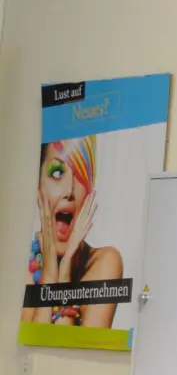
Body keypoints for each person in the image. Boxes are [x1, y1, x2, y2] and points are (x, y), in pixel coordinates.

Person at [23, 137, 124, 329]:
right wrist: (50, 274)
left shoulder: (104, 263)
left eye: (80, 175)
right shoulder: (21, 266)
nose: (69, 191)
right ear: (38, 186)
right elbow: (34, 351)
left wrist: (65, 273)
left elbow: (79, 357)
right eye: (57, 172)